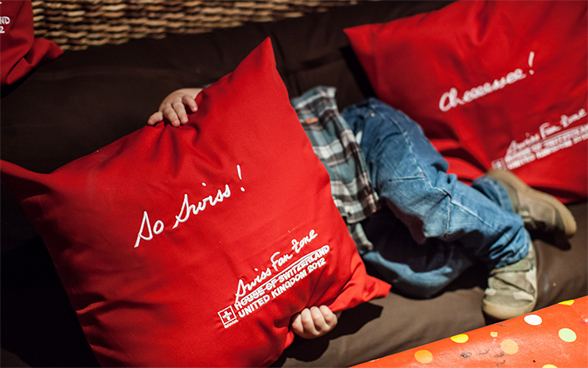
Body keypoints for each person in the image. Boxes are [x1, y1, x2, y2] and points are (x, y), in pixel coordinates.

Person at [147, 86, 576, 337]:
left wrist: (187, 99)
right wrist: (304, 309)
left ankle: (509, 242)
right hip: (352, 227)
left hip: (356, 141)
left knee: (418, 196)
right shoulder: (220, 254)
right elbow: (268, 280)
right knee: (421, 278)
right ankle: (498, 198)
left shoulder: (192, 161)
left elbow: (232, 98)